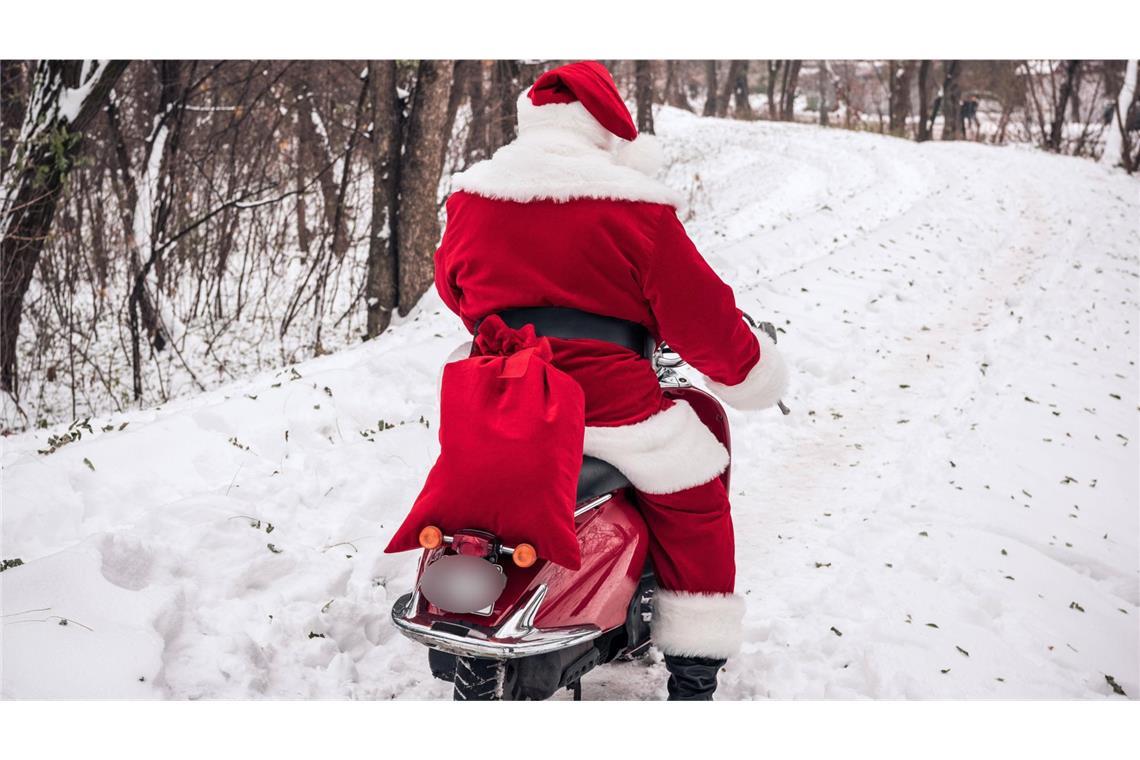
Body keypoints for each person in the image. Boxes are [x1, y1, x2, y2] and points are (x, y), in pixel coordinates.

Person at [431, 61, 788, 699]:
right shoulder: (634, 208)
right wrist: (753, 369)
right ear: (607, 133)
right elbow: (704, 320)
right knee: (694, 493)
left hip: (500, 395)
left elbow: (454, 289)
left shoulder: (472, 196)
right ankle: (694, 666)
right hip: (606, 406)